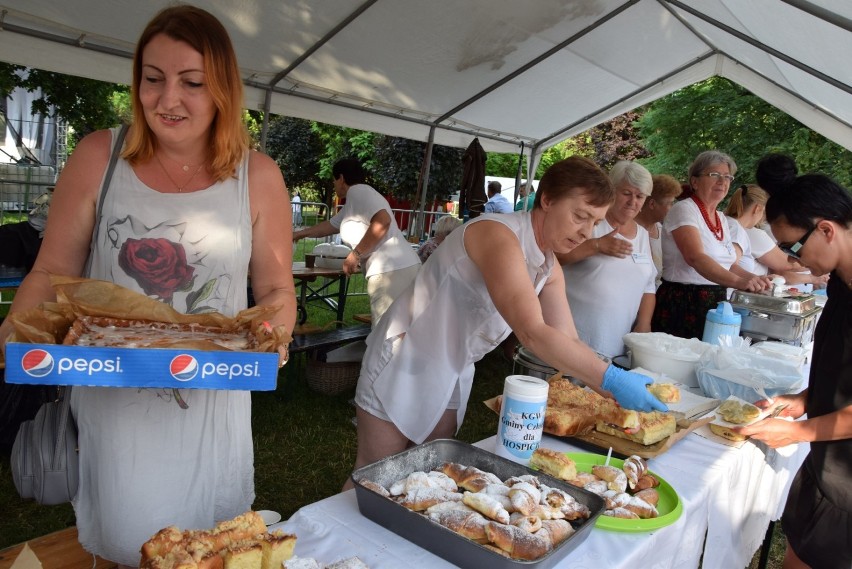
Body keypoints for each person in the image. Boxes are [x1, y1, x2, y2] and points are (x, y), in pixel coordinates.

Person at [0, 6, 297, 567]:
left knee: (209, 549)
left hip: (210, 404)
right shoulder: (98, 157)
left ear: (223, 91)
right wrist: (15, 331)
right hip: (115, 407)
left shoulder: (257, 177)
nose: (167, 100)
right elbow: (48, 271)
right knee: (122, 544)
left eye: (192, 82)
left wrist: (272, 332)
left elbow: (279, 289)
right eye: (153, 78)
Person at [344, 157, 667, 488]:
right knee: (375, 473)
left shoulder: (549, 264)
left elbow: (568, 339)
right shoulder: (498, 234)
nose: (586, 231)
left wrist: (609, 390)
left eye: (595, 222)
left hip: (452, 366)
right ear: (547, 199)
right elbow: (533, 332)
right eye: (580, 216)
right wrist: (611, 379)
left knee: (424, 472)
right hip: (404, 355)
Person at [737, 154, 852, 569]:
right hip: (824, 465)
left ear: (826, 229)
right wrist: (804, 398)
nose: (792, 259)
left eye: (793, 247)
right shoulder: (840, 283)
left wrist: (799, 431)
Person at [651, 150, 771, 339]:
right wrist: (740, 282)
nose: (722, 181)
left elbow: (728, 264)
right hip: (684, 302)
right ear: (695, 181)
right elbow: (695, 257)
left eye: (727, 177)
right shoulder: (684, 210)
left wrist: (754, 279)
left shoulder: (721, 218)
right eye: (714, 175)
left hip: (714, 301)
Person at [292, 158, 420, 325]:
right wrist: (298, 234)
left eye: (334, 179)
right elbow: (330, 225)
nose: (334, 183)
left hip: (391, 271)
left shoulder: (358, 192)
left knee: (387, 335)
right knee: (401, 332)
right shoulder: (354, 200)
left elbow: (383, 221)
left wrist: (356, 254)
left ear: (342, 178)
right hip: (400, 267)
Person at [559, 161, 656, 358]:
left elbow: (649, 285)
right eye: (627, 193)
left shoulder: (643, 236)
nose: (632, 202)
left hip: (616, 342)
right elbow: (554, 258)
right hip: (572, 334)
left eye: (640, 196)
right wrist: (596, 246)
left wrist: (644, 323)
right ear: (612, 191)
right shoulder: (591, 223)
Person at [724, 184, 827, 289]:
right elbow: (787, 262)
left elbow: (791, 254)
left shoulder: (726, 222)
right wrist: (815, 266)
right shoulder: (751, 233)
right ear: (757, 208)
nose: (764, 218)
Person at [635, 174, 682, 288]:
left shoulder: (663, 232)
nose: (673, 208)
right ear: (652, 204)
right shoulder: (627, 230)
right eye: (670, 203)